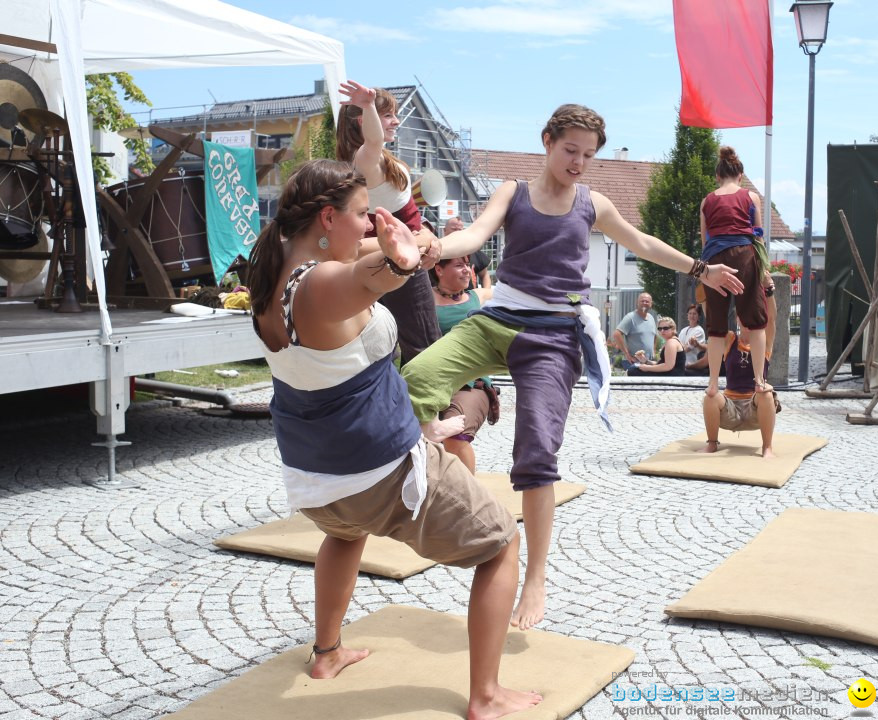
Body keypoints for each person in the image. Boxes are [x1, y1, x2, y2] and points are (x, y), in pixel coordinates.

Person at [402, 103, 744, 631]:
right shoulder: (513, 193)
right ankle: (426, 453)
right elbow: (473, 236)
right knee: (417, 378)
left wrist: (703, 267)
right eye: (570, 151)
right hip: (498, 319)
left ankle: (535, 576)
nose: (579, 163)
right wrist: (434, 247)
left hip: (553, 337)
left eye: (588, 155)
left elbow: (644, 244)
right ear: (547, 141)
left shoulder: (593, 203)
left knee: (536, 450)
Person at [247, 159, 541, 719]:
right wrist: (401, 262)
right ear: (328, 218)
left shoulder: (274, 272)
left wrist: (414, 245)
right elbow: (364, 275)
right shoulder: (322, 285)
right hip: (378, 470)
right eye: (360, 216)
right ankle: (486, 696)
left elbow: (363, 260)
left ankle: (327, 653)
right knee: (501, 544)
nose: (366, 226)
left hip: (315, 478)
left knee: (346, 535)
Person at [337, 80, 442, 366]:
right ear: (363, 121)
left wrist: (427, 238)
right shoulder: (365, 158)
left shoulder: (368, 160)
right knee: (422, 348)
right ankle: (426, 409)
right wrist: (370, 104)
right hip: (397, 262)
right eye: (388, 116)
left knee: (392, 347)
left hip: (401, 258)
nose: (396, 121)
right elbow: (373, 140)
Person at [700, 146, 771, 398]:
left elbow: (704, 240)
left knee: (716, 325)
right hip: (744, 256)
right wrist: (765, 272)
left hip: (714, 260)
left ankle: (712, 383)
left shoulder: (707, 200)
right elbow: (759, 237)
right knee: (756, 321)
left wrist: (705, 271)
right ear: (740, 175)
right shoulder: (750, 198)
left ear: (718, 176)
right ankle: (760, 380)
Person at [431, 255, 498, 474]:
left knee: (454, 436)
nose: (467, 270)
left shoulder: (478, 297)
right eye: (459, 265)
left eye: (468, 266)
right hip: (430, 382)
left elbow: (518, 296)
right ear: (439, 270)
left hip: (471, 384)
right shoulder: (422, 299)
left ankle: (469, 497)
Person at [699, 312, 780, 459]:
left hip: (755, 407)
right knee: (710, 396)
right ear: (737, 319)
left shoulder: (764, 342)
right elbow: (714, 325)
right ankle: (712, 443)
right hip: (731, 408)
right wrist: (708, 296)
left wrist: (769, 292)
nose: (748, 322)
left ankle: (767, 447)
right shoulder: (730, 339)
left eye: (751, 317)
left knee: (766, 394)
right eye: (744, 318)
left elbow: (772, 318)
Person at [613, 292, 657, 366]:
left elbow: (655, 335)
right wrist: (626, 354)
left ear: (651, 304)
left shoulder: (651, 318)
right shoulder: (630, 317)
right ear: (637, 302)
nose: (644, 303)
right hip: (634, 362)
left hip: (649, 362)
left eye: (647, 301)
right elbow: (617, 334)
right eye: (642, 301)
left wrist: (654, 351)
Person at [679, 304, 709, 375]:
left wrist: (679, 350)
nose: (692, 316)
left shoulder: (699, 330)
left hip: (691, 364)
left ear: (699, 316)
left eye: (695, 314)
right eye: (690, 313)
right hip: (682, 363)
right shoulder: (683, 330)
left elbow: (688, 348)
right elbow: (680, 345)